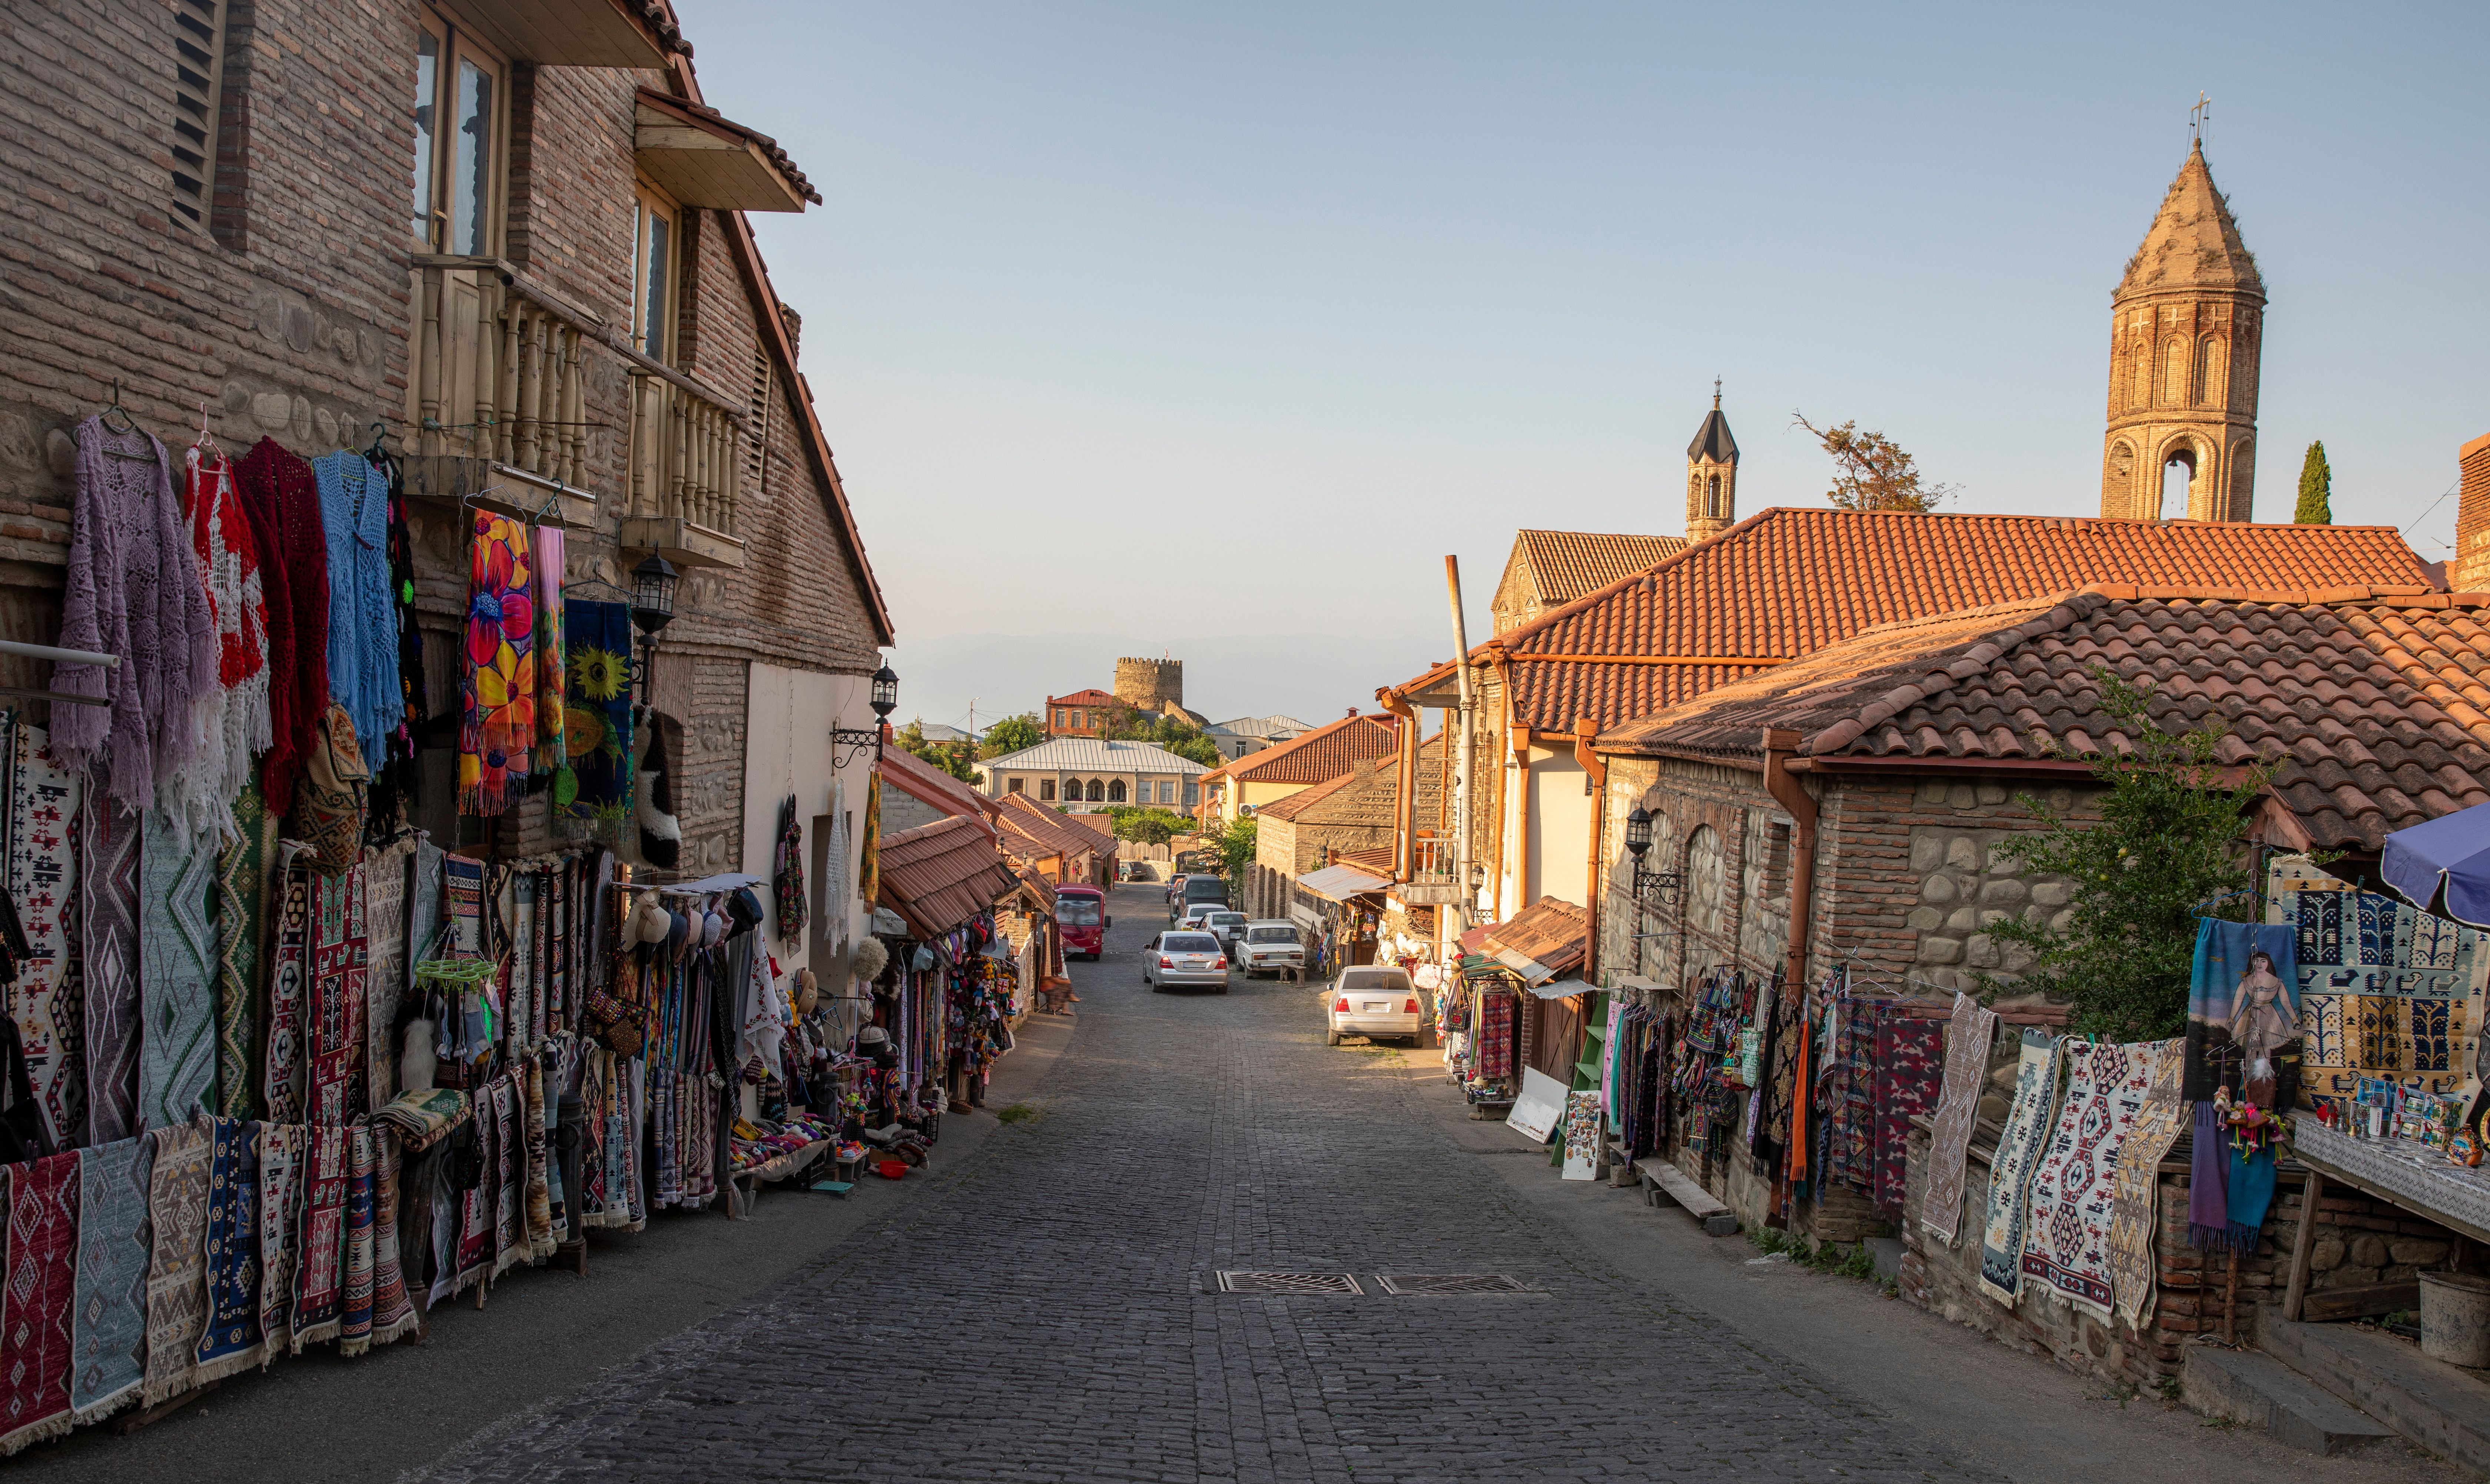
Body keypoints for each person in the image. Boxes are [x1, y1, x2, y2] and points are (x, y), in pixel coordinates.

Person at [2228, 948, 2293, 1105]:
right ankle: (2248, 1083)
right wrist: (2231, 1018)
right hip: (2250, 1016)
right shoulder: (2247, 980)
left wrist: (2295, 1018)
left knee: (2265, 1050)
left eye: (2263, 961)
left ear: (2269, 963)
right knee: (2250, 1050)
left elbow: (2285, 1002)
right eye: (2256, 961)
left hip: (2269, 1016)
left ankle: (2261, 1088)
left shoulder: (2276, 982)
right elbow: (2238, 1000)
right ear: (2252, 963)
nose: (2259, 964)